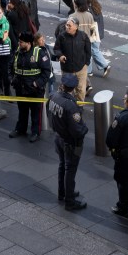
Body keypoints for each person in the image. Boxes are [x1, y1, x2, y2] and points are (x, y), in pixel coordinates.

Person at [47, 72, 88, 211]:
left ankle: (63, 193)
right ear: (74, 87)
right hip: (69, 142)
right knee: (70, 170)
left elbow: (49, 113)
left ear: (63, 85)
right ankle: (69, 201)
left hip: (58, 137)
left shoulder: (53, 96)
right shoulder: (70, 105)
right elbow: (77, 130)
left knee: (62, 166)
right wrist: (85, 129)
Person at [9, 31, 50, 142]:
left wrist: (38, 83)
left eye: (21, 42)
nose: (19, 43)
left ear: (28, 43)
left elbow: (47, 71)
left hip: (34, 90)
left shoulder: (39, 53)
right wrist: (12, 79)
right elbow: (10, 67)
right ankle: (20, 129)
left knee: (36, 113)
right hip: (21, 88)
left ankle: (35, 132)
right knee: (22, 110)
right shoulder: (17, 52)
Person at [53, 16, 91, 103]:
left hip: (81, 68)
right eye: (67, 25)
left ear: (76, 27)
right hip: (67, 69)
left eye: (69, 26)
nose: (67, 27)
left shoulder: (83, 36)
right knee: (66, 92)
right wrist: (60, 56)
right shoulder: (61, 36)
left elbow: (88, 50)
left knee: (81, 91)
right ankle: (67, 107)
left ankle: (79, 108)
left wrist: (86, 63)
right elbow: (56, 49)